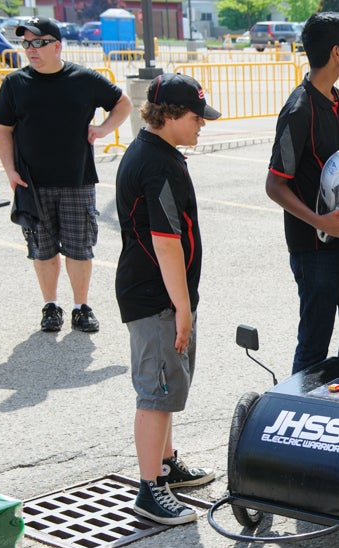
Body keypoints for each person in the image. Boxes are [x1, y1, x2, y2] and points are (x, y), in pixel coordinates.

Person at [115, 74, 221, 525]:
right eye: (196, 118)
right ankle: (149, 489)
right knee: (155, 393)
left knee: (168, 386)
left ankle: (167, 464)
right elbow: (165, 241)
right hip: (155, 296)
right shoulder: (157, 164)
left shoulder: (157, 152)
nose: (202, 125)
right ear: (171, 116)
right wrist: (181, 308)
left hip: (162, 294)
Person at [0, 17, 131, 334]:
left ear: (57, 45)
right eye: (25, 43)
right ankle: (50, 306)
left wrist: (103, 128)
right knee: (43, 250)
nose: (30, 50)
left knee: (80, 249)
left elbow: (122, 103)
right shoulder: (15, 83)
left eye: (37, 43)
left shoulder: (83, 79)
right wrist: (10, 170)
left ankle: (81, 307)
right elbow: (3, 129)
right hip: (32, 183)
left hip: (77, 179)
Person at [265, 12, 339, 374]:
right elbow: (274, 184)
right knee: (314, 344)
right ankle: (301, 419)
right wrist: (319, 220)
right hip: (315, 250)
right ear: (334, 52)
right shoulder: (298, 110)